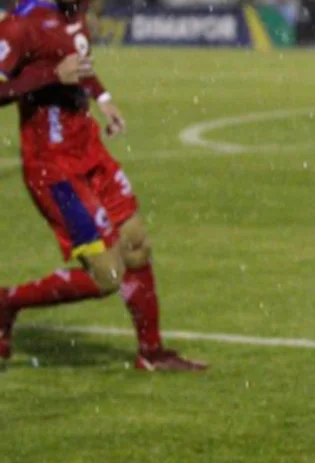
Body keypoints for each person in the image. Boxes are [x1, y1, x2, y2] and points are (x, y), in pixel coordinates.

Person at [0, 0, 206, 371]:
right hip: (54, 169)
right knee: (107, 276)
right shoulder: (20, 25)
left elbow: (78, 63)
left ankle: (152, 353)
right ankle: (7, 302)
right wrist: (49, 75)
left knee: (136, 244)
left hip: (90, 151)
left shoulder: (75, 12)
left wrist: (104, 99)